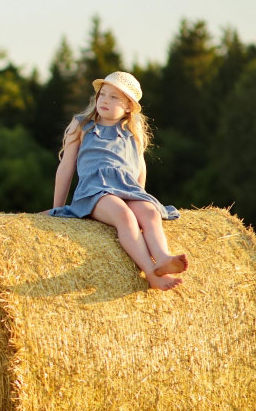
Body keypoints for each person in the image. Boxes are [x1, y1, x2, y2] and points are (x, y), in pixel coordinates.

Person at [49, 71, 188, 291]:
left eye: (114, 97)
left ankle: (162, 257)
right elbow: (66, 167)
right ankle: (151, 274)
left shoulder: (132, 131)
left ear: (129, 106)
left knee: (150, 213)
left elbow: (139, 167)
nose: (104, 100)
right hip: (95, 192)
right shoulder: (82, 125)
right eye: (103, 94)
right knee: (124, 216)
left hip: (127, 189)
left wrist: (140, 199)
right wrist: (57, 209)